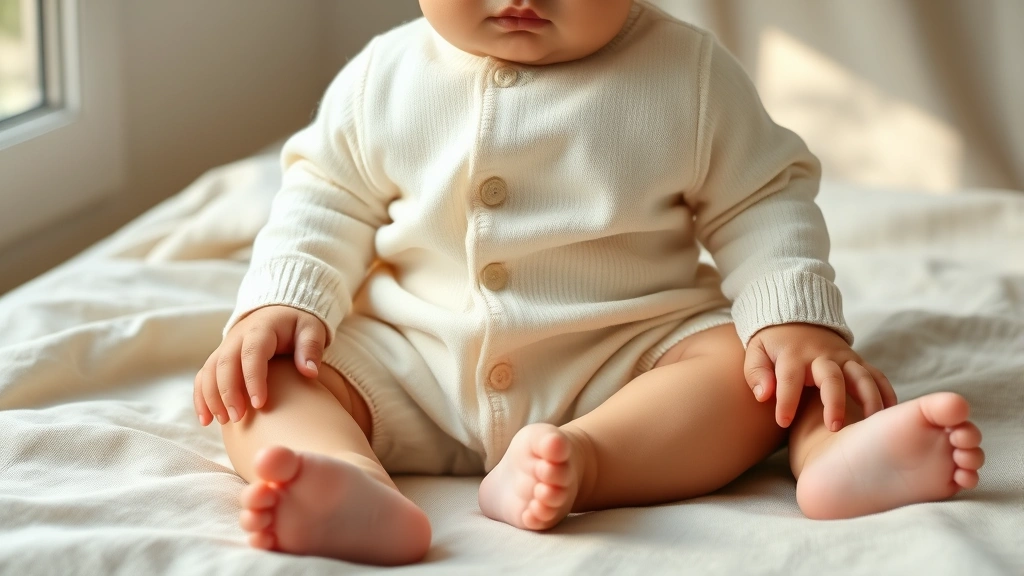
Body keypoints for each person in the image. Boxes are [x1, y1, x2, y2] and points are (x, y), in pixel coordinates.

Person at [193, 0, 985, 566]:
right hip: (412, 361)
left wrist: (791, 317)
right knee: (263, 383)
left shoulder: (689, 73)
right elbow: (323, 198)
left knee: (770, 373)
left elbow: (762, 200)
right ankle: (347, 485)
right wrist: (282, 303)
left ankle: (799, 460)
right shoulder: (383, 78)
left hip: (626, 360)